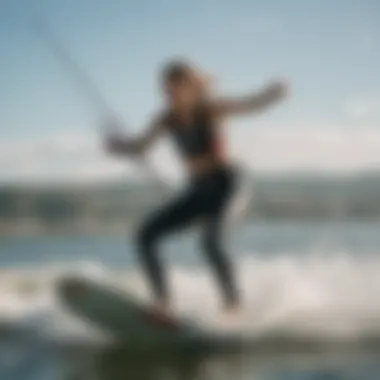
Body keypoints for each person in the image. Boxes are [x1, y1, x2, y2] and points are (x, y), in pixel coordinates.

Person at [105, 59, 288, 316]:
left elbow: (249, 106)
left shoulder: (210, 109)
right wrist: (118, 146)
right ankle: (162, 303)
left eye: (175, 86)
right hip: (198, 190)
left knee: (211, 242)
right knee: (145, 235)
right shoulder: (167, 119)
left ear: (191, 87)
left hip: (228, 185)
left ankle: (233, 306)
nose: (169, 92)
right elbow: (140, 147)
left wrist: (271, 95)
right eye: (166, 87)